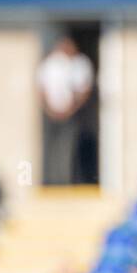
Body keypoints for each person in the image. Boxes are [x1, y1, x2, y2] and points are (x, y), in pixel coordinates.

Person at [37, 35, 94, 185]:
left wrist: (70, 110)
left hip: (73, 114)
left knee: (71, 148)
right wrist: (50, 110)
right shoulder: (50, 64)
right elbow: (41, 90)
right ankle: (53, 181)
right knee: (52, 149)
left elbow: (84, 90)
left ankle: (71, 181)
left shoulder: (80, 63)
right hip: (52, 114)